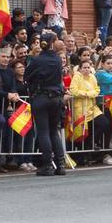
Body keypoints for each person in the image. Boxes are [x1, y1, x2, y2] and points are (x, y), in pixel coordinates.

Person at [25, 30, 67, 176]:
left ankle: (48, 165)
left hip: (40, 97)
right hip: (56, 98)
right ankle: (61, 164)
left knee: (43, 131)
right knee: (54, 131)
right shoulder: (56, 59)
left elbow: (27, 76)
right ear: (51, 43)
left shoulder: (36, 60)